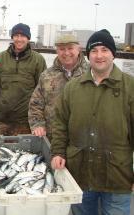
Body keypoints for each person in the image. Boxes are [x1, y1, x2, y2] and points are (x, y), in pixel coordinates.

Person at [51, 29, 134, 215]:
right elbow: (60, 124)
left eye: (105, 50)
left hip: (117, 178)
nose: (99, 56)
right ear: (88, 55)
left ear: (114, 53)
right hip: (80, 174)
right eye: (94, 51)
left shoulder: (130, 87)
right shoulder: (73, 87)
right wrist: (58, 151)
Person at [0, 23, 47, 135]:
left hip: (25, 122)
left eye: (23, 36)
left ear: (28, 38)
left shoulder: (38, 60)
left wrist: (39, 122)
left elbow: (43, 92)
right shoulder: (1, 58)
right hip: (0, 118)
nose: (19, 39)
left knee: (25, 150)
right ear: (12, 37)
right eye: (16, 35)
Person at [28, 34, 89, 141]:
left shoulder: (92, 73)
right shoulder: (46, 75)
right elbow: (35, 104)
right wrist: (38, 125)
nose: (66, 53)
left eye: (70, 48)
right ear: (57, 51)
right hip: (53, 138)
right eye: (62, 49)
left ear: (78, 49)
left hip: (83, 139)